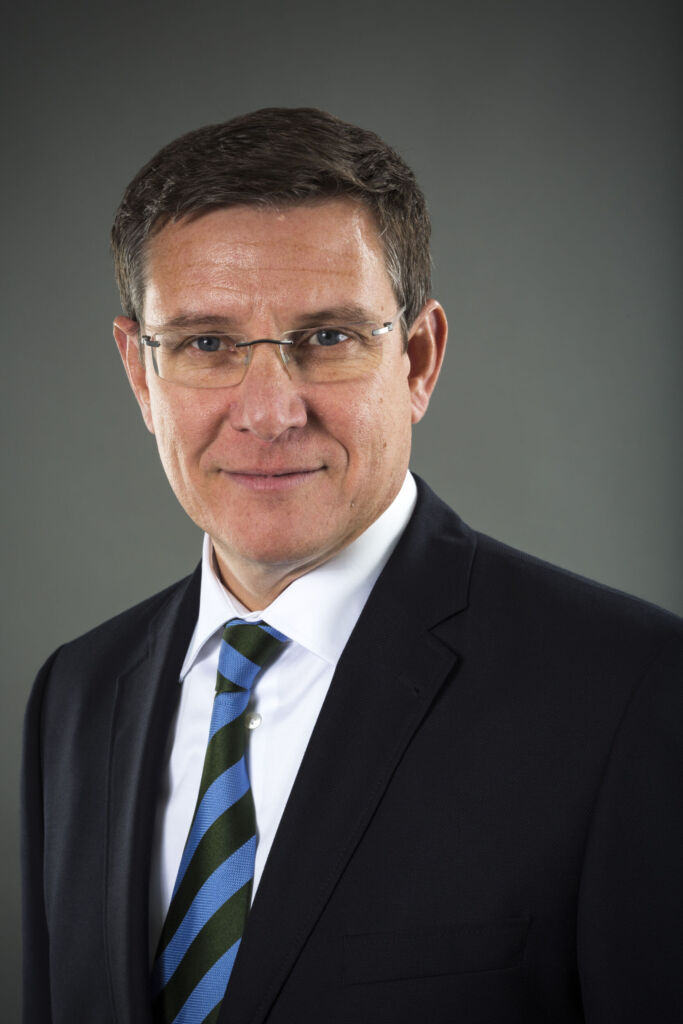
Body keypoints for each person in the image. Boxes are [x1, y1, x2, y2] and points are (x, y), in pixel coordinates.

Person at [22, 107, 682, 1024]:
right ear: (141, 372)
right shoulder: (78, 693)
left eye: (327, 337)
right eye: (207, 343)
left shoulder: (630, 691)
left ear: (417, 359)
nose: (268, 412)